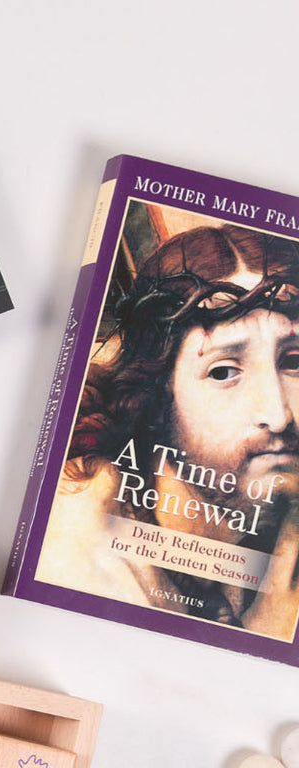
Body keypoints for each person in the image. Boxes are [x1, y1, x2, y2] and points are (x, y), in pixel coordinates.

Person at [39, 223, 299, 638]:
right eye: (224, 371)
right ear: (159, 391)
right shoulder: (75, 551)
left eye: (294, 363)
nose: (279, 414)